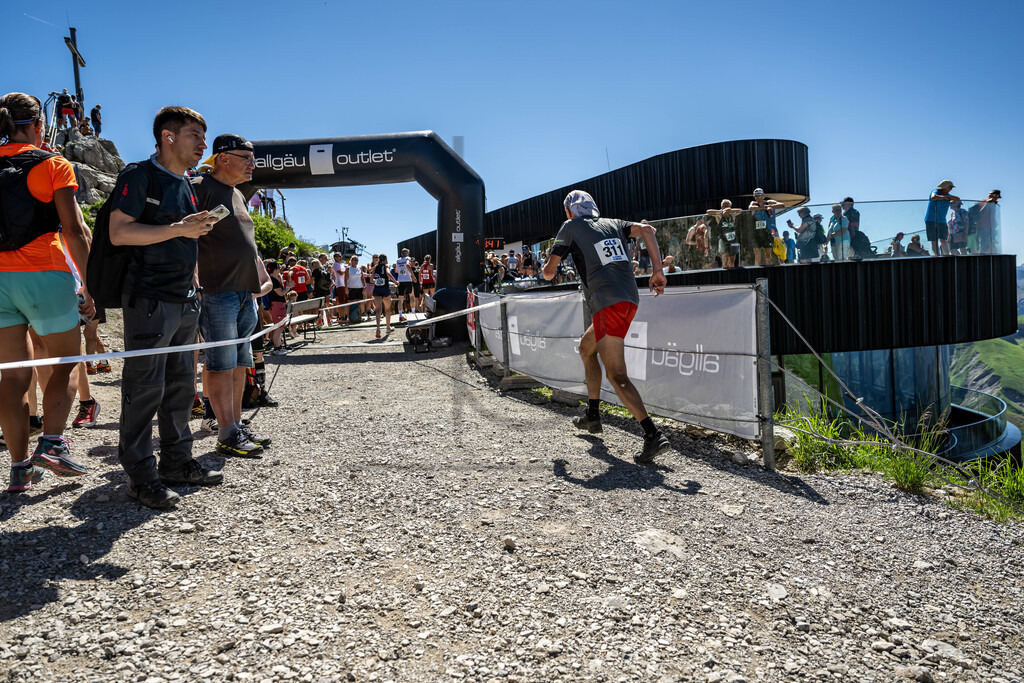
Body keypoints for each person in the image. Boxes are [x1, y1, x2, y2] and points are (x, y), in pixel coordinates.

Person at [108, 105, 223, 509]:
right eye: (195, 135)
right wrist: (179, 229)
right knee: (144, 389)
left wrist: (193, 265)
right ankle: (140, 477)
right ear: (168, 137)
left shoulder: (187, 184)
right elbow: (119, 232)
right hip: (149, 299)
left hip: (184, 299)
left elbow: (184, 239)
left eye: (204, 137)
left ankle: (177, 462)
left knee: (179, 387)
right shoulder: (139, 175)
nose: (202, 145)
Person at [0, 92, 94, 492]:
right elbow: (74, 229)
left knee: (10, 377)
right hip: (45, 272)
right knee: (65, 362)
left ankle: (20, 468)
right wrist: (91, 285)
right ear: (38, 125)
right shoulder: (53, 163)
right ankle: (53, 443)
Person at [541, 190, 671, 464]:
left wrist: (547, 266)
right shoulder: (613, 223)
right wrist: (657, 271)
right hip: (628, 299)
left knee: (617, 375)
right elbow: (648, 229)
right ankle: (593, 415)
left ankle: (652, 435)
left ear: (569, 211)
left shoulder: (570, 226)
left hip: (606, 302)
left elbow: (549, 273)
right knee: (586, 348)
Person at [192, 133, 273, 459]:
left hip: (244, 294)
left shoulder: (237, 194)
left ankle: (235, 425)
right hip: (217, 291)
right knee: (221, 364)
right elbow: (184, 234)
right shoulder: (200, 187)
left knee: (240, 363)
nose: (253, 165)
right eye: (247, 158)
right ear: (224, 158)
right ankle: (224, 430)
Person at [748, 188, 784, 266]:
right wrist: (765, 208)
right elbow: (750, 208)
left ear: (763, 195)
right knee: (757, 256)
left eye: (758, 195)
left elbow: (782, 204)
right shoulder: (754, 203)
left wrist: (770, 206)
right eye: (754, 195)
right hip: (756, 233)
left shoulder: (768, 202)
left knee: (768, 256)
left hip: (766, 233)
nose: (756, 197)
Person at [925, 180, 958, 256]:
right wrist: (944, 198)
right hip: (931, 220)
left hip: (942, 221)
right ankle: (937, 256)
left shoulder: (948, 195)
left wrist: (948, 197)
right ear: (945, 187)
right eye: (950, 187)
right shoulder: (935, 191)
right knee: (934, 240)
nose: (951, 189)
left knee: (944, 239)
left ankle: (946, 255)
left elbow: (957, 198)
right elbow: (933, 197)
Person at [707, 199, 743, 268]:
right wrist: (721, 211)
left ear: (730, 206)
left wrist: (728, 210)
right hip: (723, 238)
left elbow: (740, 210)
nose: (725, 207)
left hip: (732, 238)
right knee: (724, 258)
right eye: (723, 206)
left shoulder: (732, 214)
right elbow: (708, 211)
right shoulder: (719, 214)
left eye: (727, 205)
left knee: (732, 260)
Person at [372, 253, 399, 338]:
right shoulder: (386, 265)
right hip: (385, 289)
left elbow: (371, 279)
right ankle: (388, 327)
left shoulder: (375, 267)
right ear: (385, 259)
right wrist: (395, 281)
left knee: (378, 310)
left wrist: (377, 280)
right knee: (387, 309)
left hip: (377, 289)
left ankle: (378, 327)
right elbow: (388, 273)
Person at [265, 260, 287, 352]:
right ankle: (277, 348)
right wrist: (288, 287)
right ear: (275, 270)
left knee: (279, 326)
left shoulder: (272, 279)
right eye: (278, 267)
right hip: (277, 305)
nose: (280, 269)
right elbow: (280, 293)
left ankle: (278, 346)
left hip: (277, 305)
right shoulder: (273, 280)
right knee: (278, 327)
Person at [970, 190, 1001, 254]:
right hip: (984, 227)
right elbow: (981, 213)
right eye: (997, 197)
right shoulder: (984, 203)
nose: (997, 199)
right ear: (994, 196)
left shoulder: (992, 204)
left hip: (991, 227)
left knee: (991, 243)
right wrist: (988, 203)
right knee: (984, 244)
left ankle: (988, 256)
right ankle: (981, 256)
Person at [395, 248, 415, 321]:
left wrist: (401, 270)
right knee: (412, 296)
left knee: (400, 299)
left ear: (401, 254)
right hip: (408, 279)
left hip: (400, 280)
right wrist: (413, 276)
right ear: (407, 254)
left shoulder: (398, 260)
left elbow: (396, 270)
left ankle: (400, 316)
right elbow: (407, 265)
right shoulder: (407, 258)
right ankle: (413, 313)